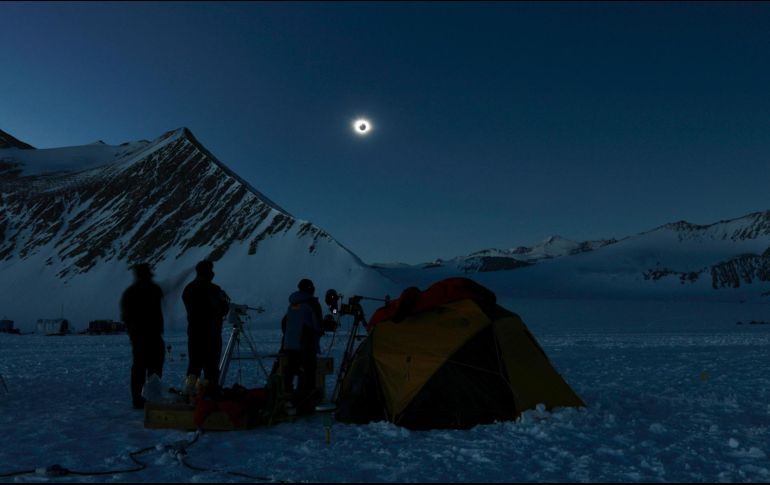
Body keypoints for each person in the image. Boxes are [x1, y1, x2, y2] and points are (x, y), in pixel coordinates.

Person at [120, 263, 165, 409]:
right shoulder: (154, 290)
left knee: (140, 369)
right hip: (150, 336)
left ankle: (139, 398)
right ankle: (151, 397)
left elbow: (125, 317)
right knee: (153, 369)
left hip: (140, 337)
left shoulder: (130, 293)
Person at [182, 260, 230, 391]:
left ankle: (191, 394)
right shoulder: (213, 290)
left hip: (196, 334)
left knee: (195, 367)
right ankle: (209, 395)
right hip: (210, 335)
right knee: (210, 369)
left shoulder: (189, 289)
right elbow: (224, 309)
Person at [281, 278, 323, 397]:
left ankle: (287, 393)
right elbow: (318, 324)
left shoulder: (293, 304)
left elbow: (284, 323)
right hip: (305, 343)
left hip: (290, 343)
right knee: (309, 369)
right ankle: (306, 396)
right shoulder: (312, 304)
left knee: (291, 369)